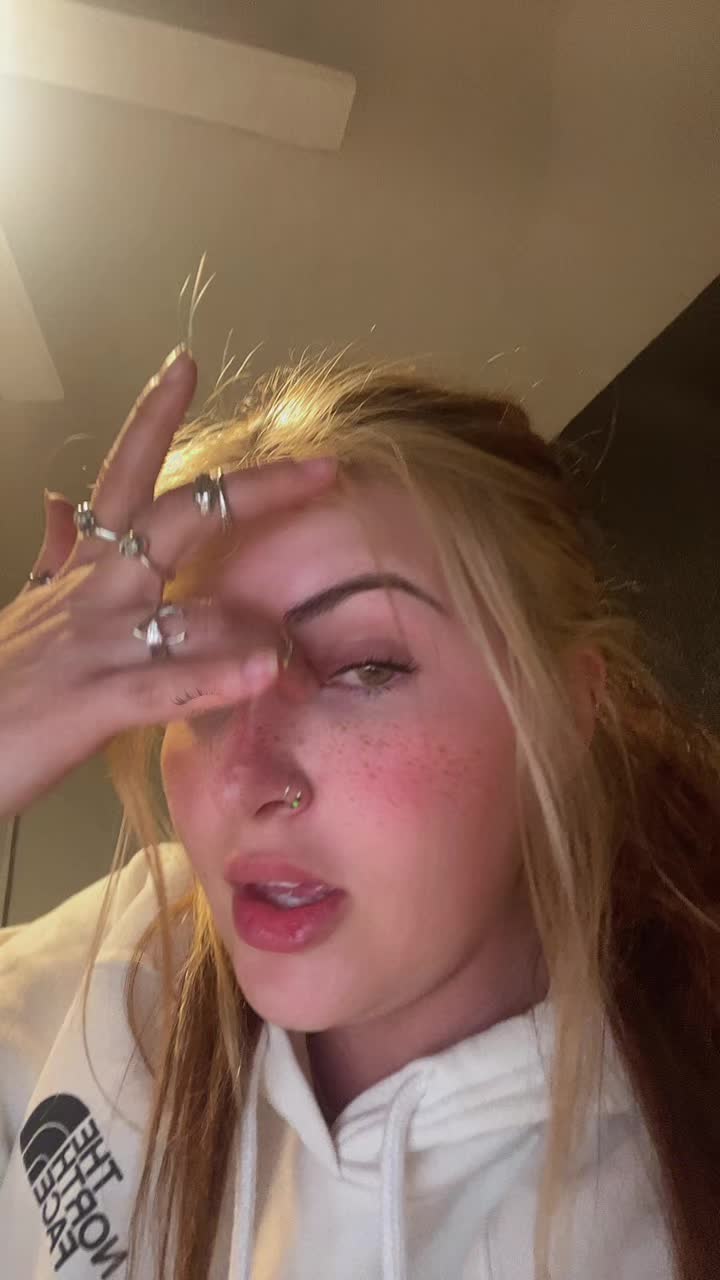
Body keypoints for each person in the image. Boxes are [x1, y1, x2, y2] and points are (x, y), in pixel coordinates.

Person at [0, 345, 718, 1280]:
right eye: (197, 685)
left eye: (364, 667)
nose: (245, 779)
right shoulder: (127, 958)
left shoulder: (659, 1212)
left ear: (565, 711)